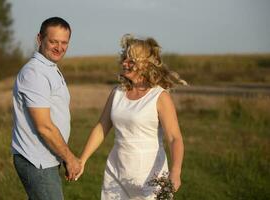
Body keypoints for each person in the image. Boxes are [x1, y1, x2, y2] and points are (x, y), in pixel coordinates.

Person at [77, 34, 186, 199]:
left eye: (131, 61)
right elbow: (102, 127)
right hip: (116, 173)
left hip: (151, 177)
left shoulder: (159, 96)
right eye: (124, 58)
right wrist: (82, 160)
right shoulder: (117, 93)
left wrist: (176, 172)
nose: (124, 63)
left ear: (145, 65)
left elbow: (174, 138)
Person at [11, 17, 81, 200]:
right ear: (39, 39)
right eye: (53, 41)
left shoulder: (49, 68)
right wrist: (69, 157)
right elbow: (44, 126)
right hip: (37, 160)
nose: (59, 47)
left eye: (64, 42)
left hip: (47, 157)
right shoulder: (35, 73)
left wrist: (61, 155)